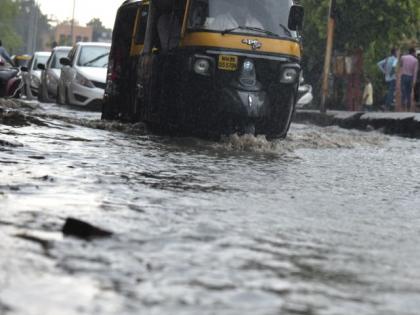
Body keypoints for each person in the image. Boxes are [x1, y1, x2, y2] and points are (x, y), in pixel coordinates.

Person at [399, 47, 418, 111]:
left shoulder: (403, 57)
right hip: (410, 77)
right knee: (409, 93)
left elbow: (401, 66)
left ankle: (403, 107)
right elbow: (415, 72)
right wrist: (414, 81)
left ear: (408, 51)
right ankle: (408, 108)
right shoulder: (415, 60)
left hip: (404, 76)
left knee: (403, 92)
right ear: (413, 52)